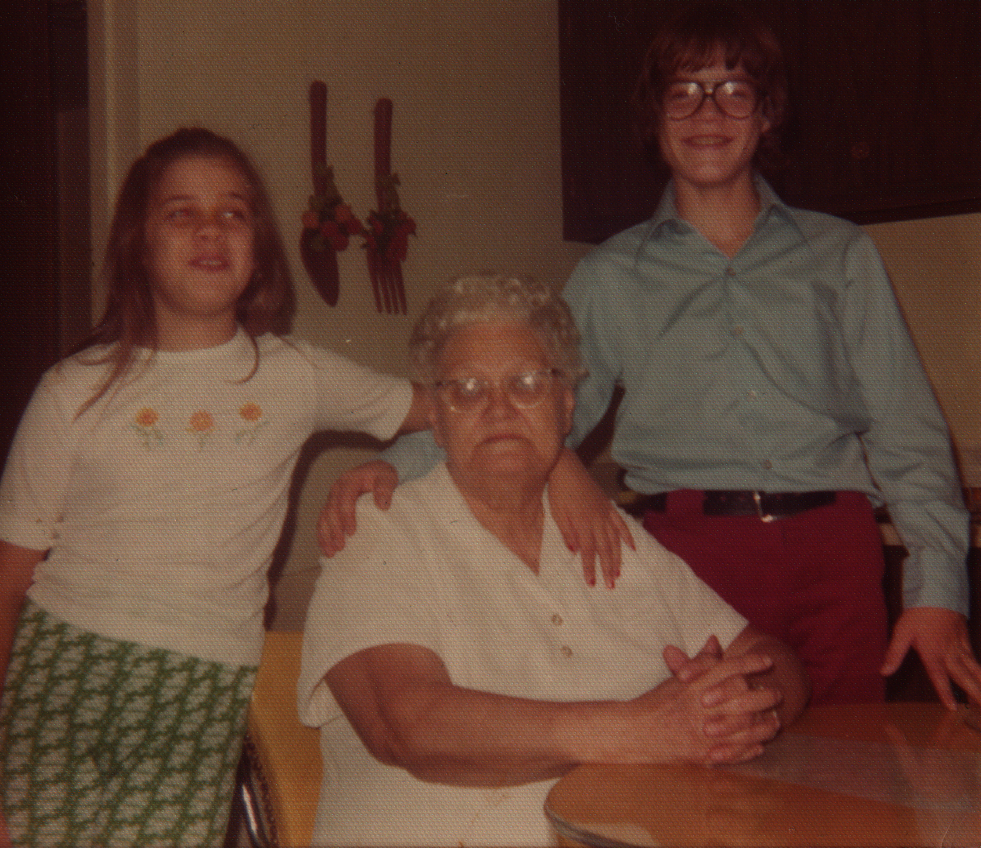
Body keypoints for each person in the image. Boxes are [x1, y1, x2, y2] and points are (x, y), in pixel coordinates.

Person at [319, 5, 981, 709]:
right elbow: (526, 405)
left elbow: (906, 430)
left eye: (734, 91)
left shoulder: (841, 254)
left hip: (836, 554)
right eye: (683, 92)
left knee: (851, 764)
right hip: (688, 560)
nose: (708, 113)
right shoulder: (611, 275)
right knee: (712, 758)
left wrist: (938, 591)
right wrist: (395, 466)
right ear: (655, 119)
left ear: (766, 115)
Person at [0, 128, 431, 848]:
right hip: (62, 672)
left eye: (233, 212)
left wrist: (396, 464)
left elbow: (459, 411)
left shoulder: (296, 375)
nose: (210, 229)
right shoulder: (71, 391)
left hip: (204, 681)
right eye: (180, 212)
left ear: (258, 251)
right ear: (139, 244)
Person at [298, 273, 809, 847]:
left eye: (526, 383)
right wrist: (643, 730)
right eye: (467, 389)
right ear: (435, 419)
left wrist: (734, 705)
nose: (498, 409)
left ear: (566, 408)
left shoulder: (607, 531)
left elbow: (772, 660)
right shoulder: (379, 531)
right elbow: (408, 725)